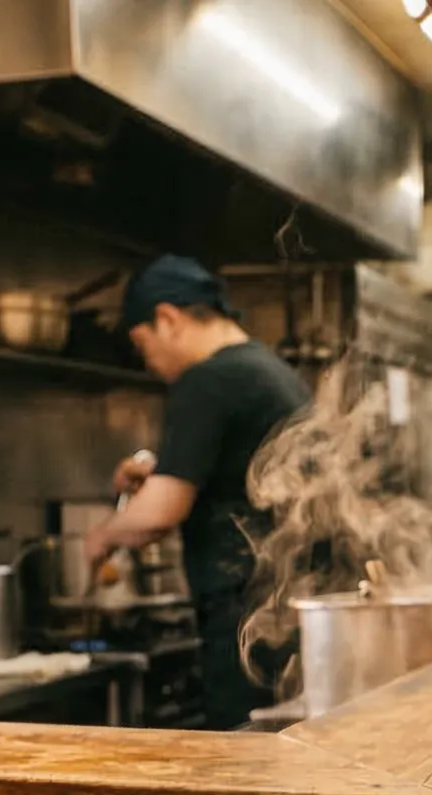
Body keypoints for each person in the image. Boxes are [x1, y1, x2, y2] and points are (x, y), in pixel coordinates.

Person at [89, 256, 311, 729]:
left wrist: (102, 536)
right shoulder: (266, 369)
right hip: (286, 612)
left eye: (141, 343)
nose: (147, 362)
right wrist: (158, 472)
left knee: (247, 775)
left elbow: (158, 515)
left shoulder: (208, 379)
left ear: (167, 319)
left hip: (247, 618)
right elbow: (236, 475)